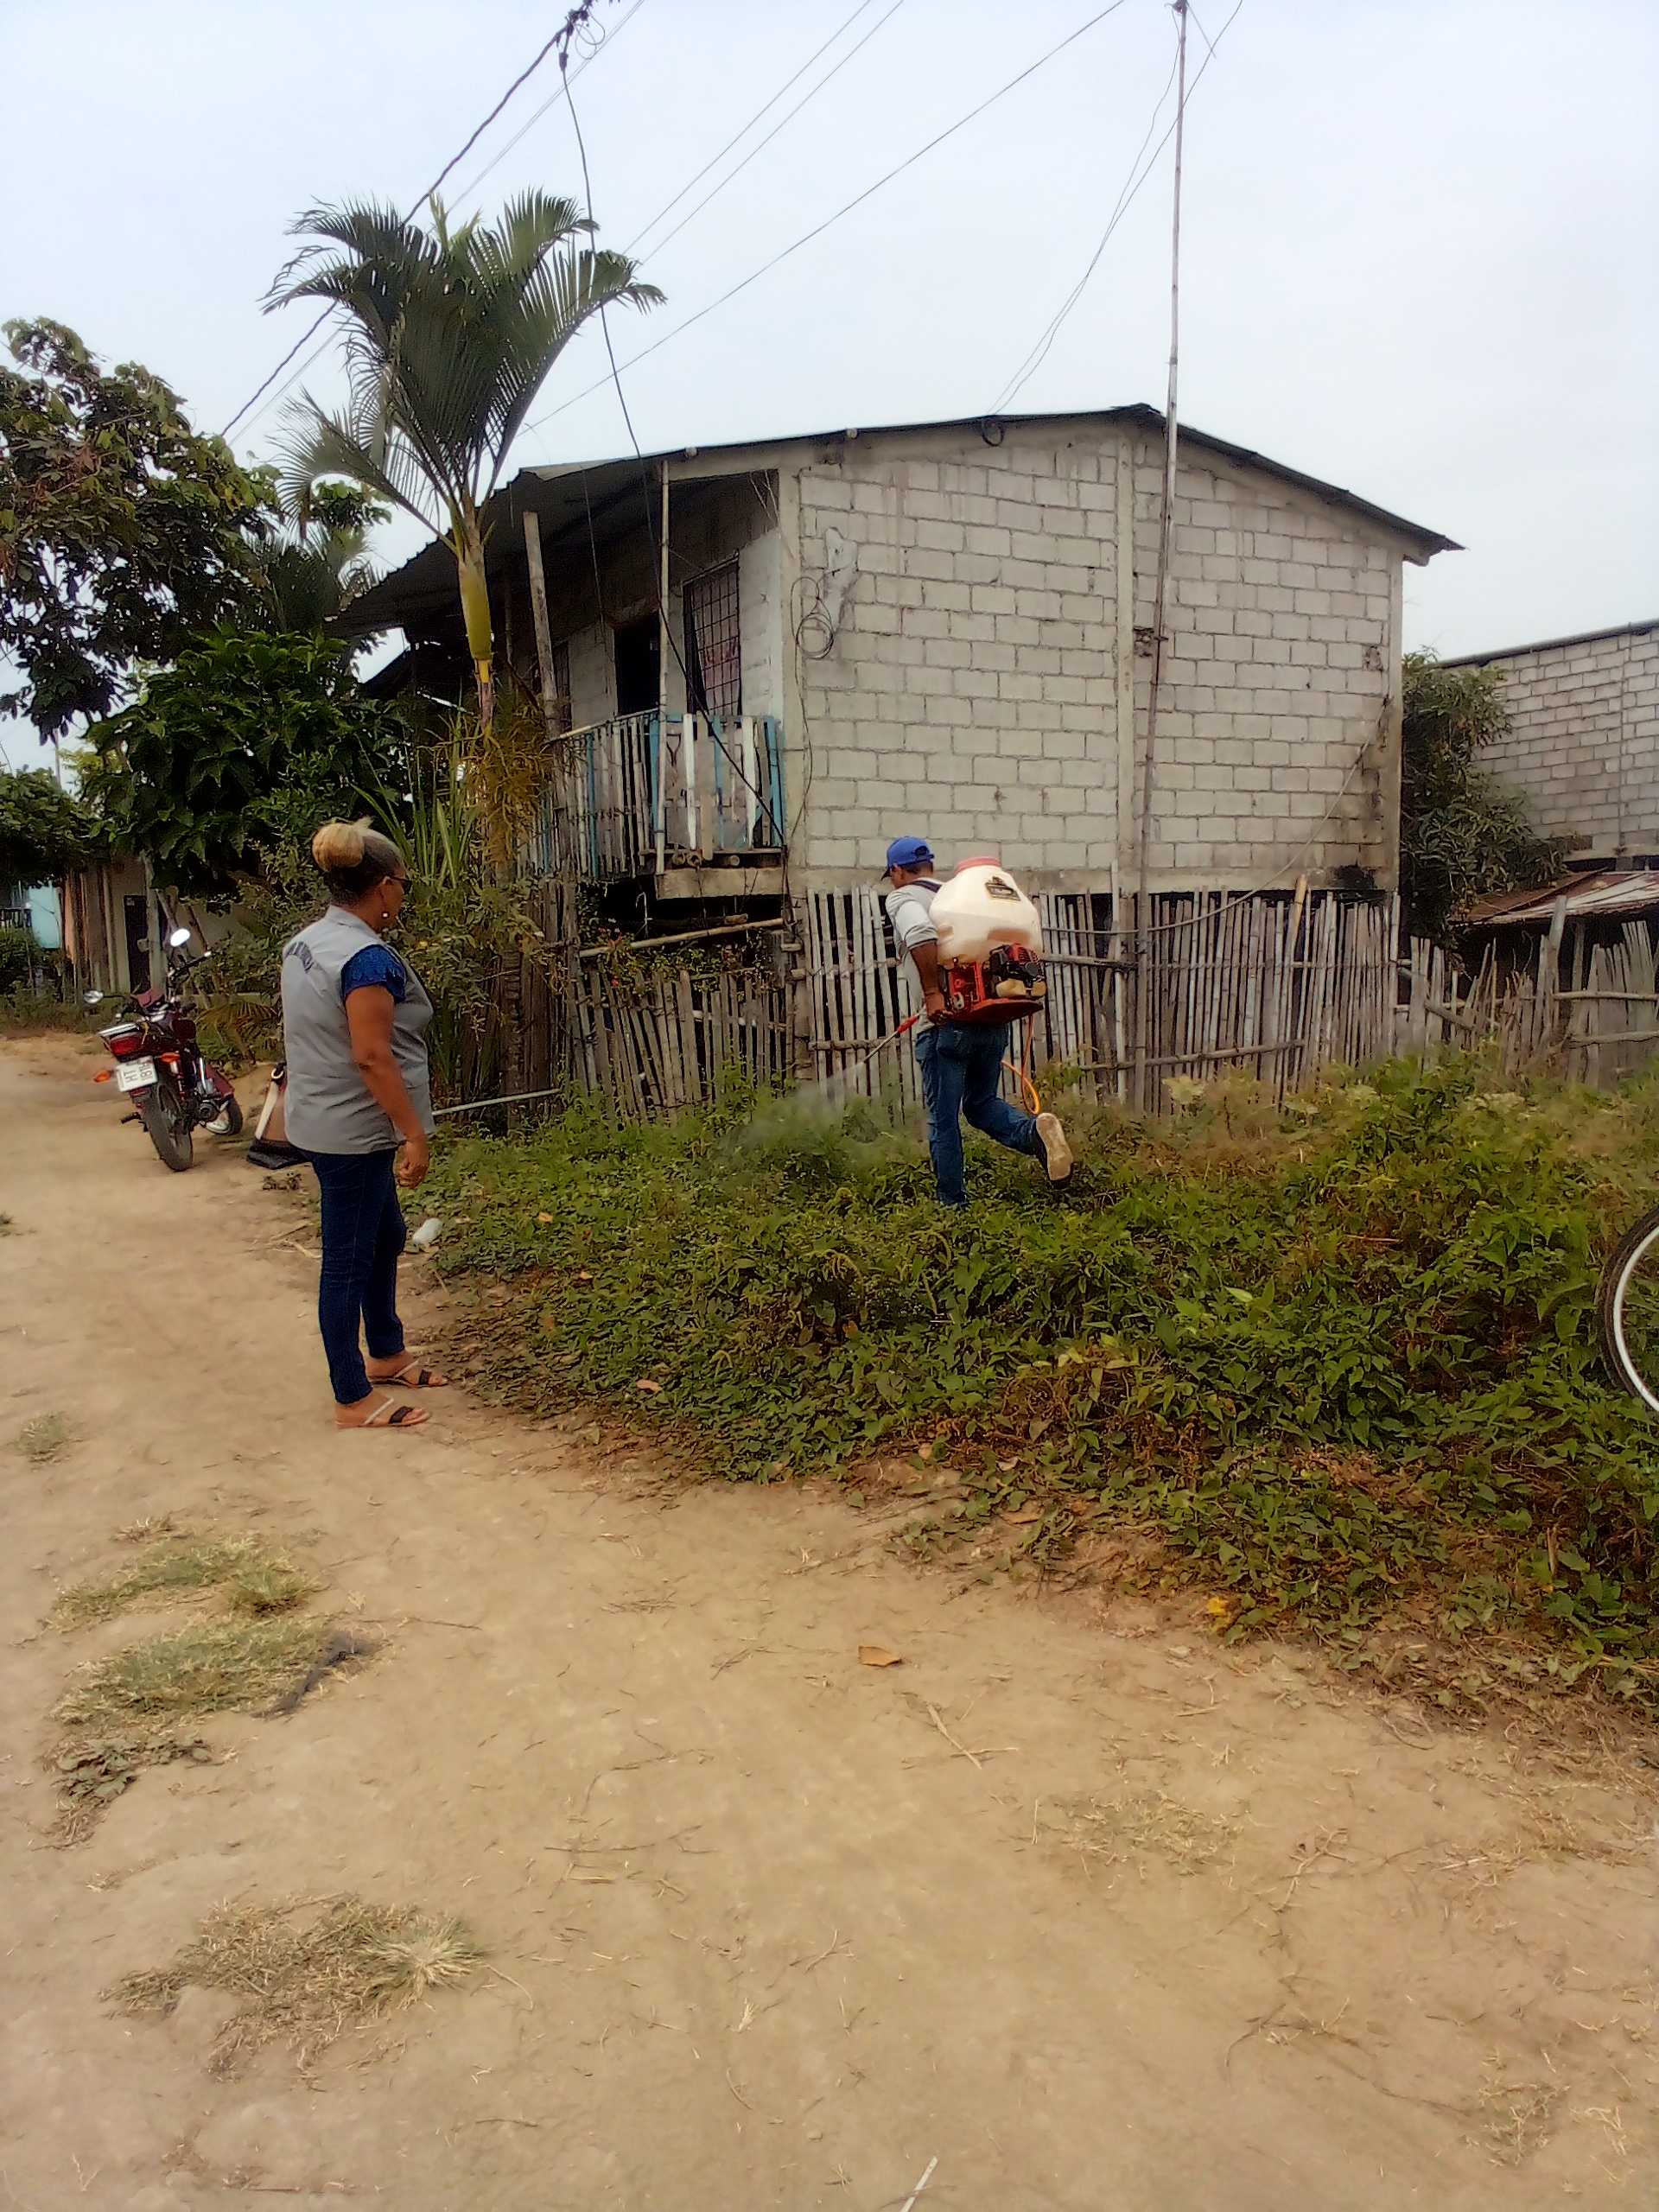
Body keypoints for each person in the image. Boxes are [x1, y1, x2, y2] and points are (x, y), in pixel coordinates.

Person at [281, 820, 447, 1431]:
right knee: (347, 1261)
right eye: (402, 884)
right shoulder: (366, 959)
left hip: (321, 1117)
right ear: (382, 887)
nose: (402, 894)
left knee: (386, 1234)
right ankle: (352, 1396)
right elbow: (372, 1055)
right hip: (353, 1131)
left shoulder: (306, 943)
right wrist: (413, 1132)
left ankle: (386, 1351)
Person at [883, 835, 1073, 1210]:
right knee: (981, 1103)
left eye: (891, 875)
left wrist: (932, 993)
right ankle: (1034, 1133)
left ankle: (954, 1208)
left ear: (897, 871)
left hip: (946, 1026)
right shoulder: (961, 896)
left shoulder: (903, 897)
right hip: (991, 1019)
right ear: (931, 867)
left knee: (944, 1120)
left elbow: (920, 933)